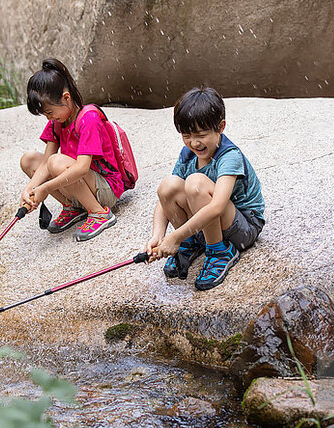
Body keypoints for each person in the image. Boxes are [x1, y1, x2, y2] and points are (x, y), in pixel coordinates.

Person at [145, 87, 265, 290]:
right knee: (168, 185)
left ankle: (219, 251)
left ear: (220, 127)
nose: (194, 142)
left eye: (201, 134)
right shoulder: (188, 154)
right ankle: (190, 243)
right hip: (207, 222)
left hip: (243, 227)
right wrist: (159, 235)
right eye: (187, 135)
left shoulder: (229, 157)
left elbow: (217, 206)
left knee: (196, 184)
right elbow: (164, 200)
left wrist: (175, 236)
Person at [20, 58, 124, 241]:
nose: (48, 119)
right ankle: (73, 207)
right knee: (29, 159)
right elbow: (44, 164)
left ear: (66, 98)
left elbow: (82, 168)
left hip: (105, 189)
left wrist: (45, 187)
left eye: (50, 113)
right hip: (80, 184)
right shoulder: (57, 122)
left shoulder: (88, 119)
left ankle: (99, 213)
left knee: (57, 162)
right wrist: (30, 189)